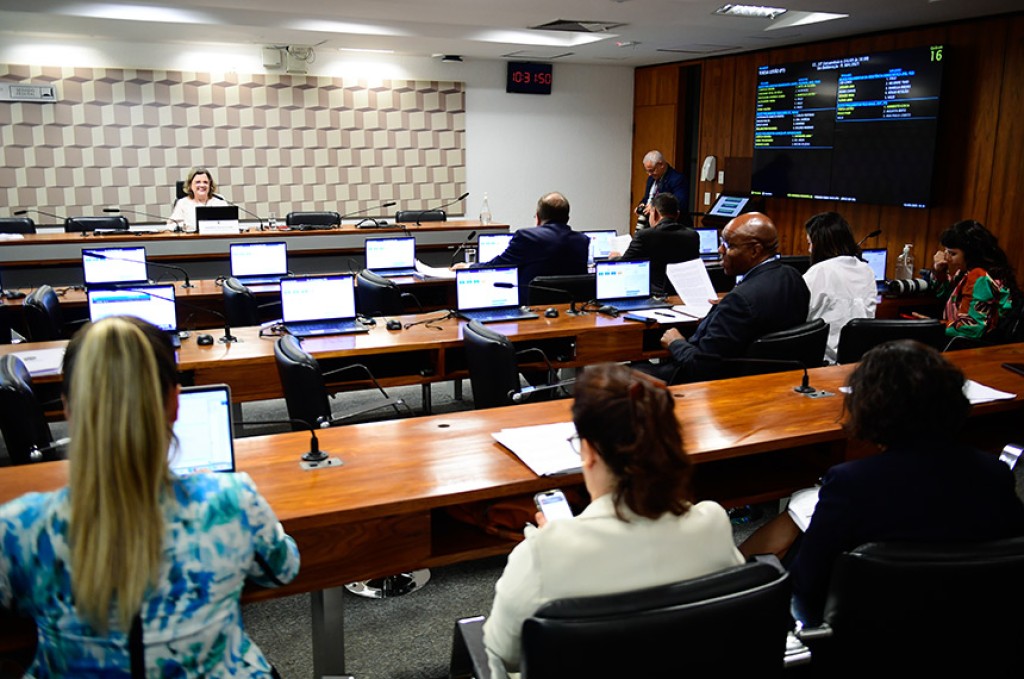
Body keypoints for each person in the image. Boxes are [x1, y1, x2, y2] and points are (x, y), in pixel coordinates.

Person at [0, 317, 300, 676]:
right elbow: (283, 570)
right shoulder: (230, 502)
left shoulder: (20, 528)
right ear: (175, 403)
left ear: (67, 408)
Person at [482, 363, 744, 678]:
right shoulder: (712, 524)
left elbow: (504, 652)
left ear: (589, 452)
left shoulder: (543, 552)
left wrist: (556, 542)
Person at [742, 341, 1024, 625]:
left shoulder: (851, 484)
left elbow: (808, 586)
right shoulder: (994, 474)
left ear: (868, 409)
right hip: (968, 621)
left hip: (864, 629)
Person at [639, 212, 810, 384]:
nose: (720, 250)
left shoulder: (740, 302)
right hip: (773, 381)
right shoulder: (793, 277)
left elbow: (702, 368)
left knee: (630, 373)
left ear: (755, 251)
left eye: (728, 245)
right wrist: (729, 304)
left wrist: (676, 343)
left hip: (708, 385)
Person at [453, 192, 589, 304]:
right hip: (571, 312)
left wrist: (469, 267)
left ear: (538, 217)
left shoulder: (527, 237)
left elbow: (499, 265)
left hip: (533, 311)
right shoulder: (582, 240)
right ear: (567, 218)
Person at [802, 212, 877, 363]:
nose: (809, 250)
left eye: (810, 243)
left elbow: (800, 316)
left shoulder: (819, 272)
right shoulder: (867, 270)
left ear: (822, 243)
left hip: (822, 362)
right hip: (859, 360)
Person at [930, 219, 1018, 341]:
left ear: (971, 253)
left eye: (953, 254)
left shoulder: (979, 277)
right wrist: (939, 271)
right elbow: (946, 295)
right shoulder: (966, 272)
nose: (947, 258)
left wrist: (934, 326)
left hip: (970, 345)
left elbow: (970, 328)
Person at [613, 192, 700, 295]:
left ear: (654, 213)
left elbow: (624, 265)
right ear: (677, 214)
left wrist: (614, 258)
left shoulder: (644, 236)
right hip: (683, 295)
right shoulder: (693, 236)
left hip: (655, 296)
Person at [637, 150, 691, 227]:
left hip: (670, 225)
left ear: (661, 164)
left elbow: (679, 203)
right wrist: (642, 204)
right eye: (647, 171)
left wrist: (653, 207)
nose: (649, 174)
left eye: (652, 170)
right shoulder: (651, 179)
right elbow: (647, 198)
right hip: (649, 223)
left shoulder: (677, 179)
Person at [168, 167, 228, 232]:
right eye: (198, 182)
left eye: (205, 182)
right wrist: (184, 227)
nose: (202, 185)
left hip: (216, 236)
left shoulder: (219, 201)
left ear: (210, 185)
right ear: (190, 185)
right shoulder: (182, 203)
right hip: (191, 237)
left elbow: (230, 223)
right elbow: (171, 225)